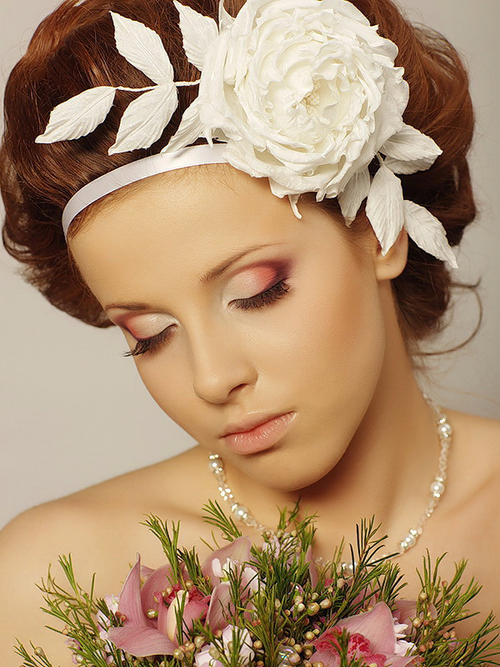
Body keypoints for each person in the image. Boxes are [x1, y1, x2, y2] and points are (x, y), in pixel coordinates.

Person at [0, 0, 499, 664]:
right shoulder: (52, 576)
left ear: (380, 232)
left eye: (256, 291)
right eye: (150, 334)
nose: (211, 379)